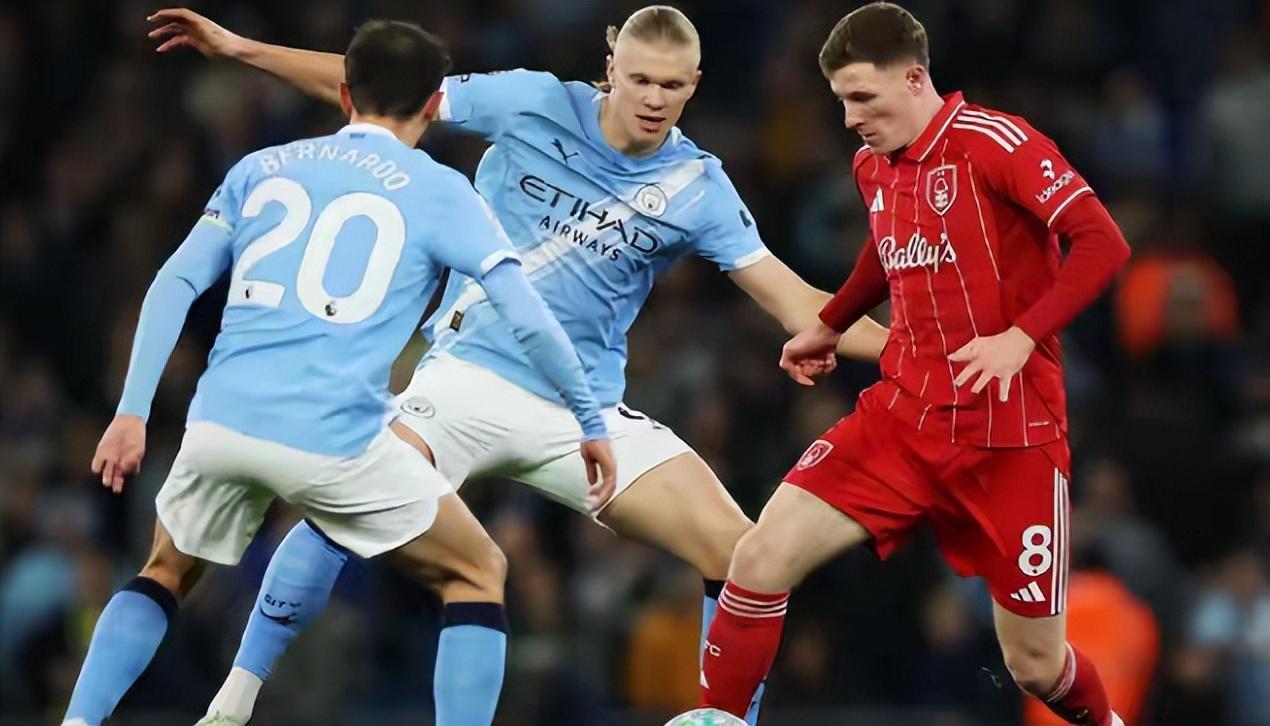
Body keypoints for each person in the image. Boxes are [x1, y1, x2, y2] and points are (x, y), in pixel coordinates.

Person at [146, 6, 889, 724]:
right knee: (340, 502)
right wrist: (242, 50)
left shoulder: (697, 186)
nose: (654, 99)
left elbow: (799, 305)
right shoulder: (533, 102)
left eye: (672, 85)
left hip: (582, 414)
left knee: (742, 553)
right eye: (640, 80)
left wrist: (915, 349)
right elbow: (382, 90)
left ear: (694, 83)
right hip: (464, 380)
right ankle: (235, 698)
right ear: (611, 68)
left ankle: (724, 722)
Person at [61, 20, 615, 726]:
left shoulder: (261, 167)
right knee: (477, 570)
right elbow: (529, 318)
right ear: (433, 103)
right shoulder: (444, 192)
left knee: (165, 569)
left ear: (345, 94)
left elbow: (174, 282)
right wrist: (590, 420)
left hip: (223, 419)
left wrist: (131, 411)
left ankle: (79, 721)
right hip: (335, 437)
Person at [694, 4, 1131, 725]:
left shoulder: (998, 143)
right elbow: (884, 250)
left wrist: (1021, 337)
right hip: (903, 419)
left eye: (863, 97)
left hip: (1010, 440)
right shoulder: (872, 166)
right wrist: (829, 324)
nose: (850, 119)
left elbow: (1102, 243)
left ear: (914, 78)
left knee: (1035, 665)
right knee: (760, 558)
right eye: (842, 102)